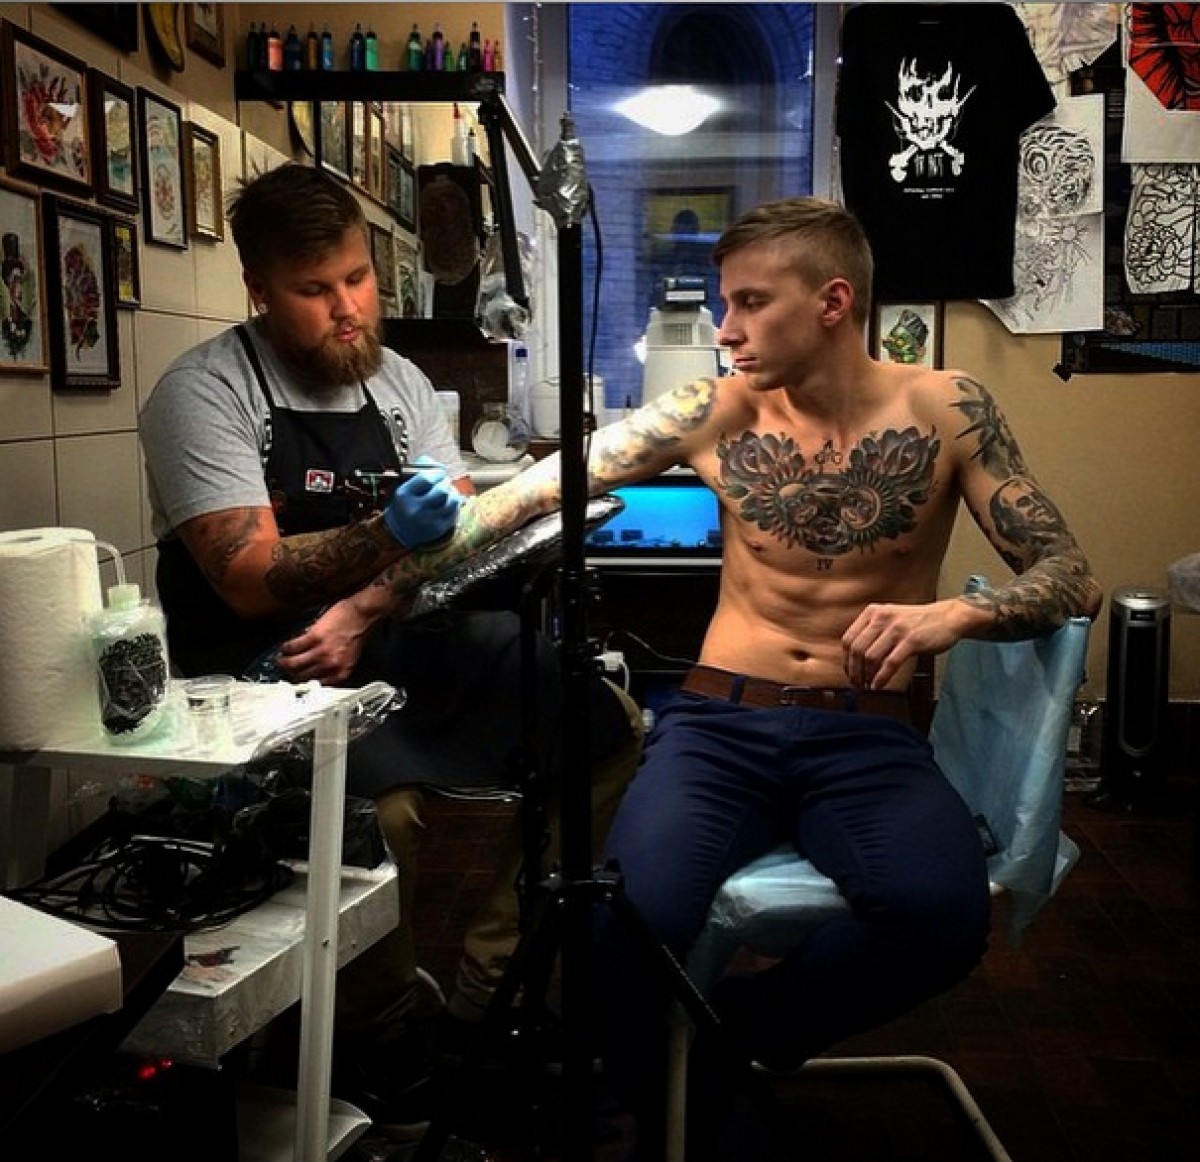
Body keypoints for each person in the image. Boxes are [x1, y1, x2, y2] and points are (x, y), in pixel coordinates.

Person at [367, 195, 1103, 1155]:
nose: (725, 329)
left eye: (751, 303)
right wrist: (374, 593)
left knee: (941, 919)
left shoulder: (946, 408)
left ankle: (727, 1049)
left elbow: (1071, 575)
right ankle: (669, 1110)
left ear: (832, 301)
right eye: (726, 303)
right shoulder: (713, 409)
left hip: (865, 732)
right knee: (625, 923)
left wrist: (953, 616)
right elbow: (528, 497)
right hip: (719, 725)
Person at [137, 163, 643, 1130]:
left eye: (358, 278)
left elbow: (451, 543)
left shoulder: (401, 383)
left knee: (601, 723)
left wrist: (369, 601)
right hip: (269, 668)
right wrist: (385, 537)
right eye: (314, 289)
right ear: (258, 289)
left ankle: (488, 989)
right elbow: (247, 575)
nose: (347, 309)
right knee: (381, 820)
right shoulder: (205, 392)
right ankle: (381, 1038)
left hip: (390, 631)